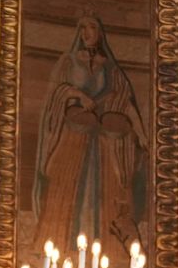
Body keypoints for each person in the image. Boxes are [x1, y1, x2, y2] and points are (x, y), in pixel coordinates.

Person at [33, 13, 147, 253]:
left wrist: (141, 133)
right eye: (82, 28)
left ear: (100, 33)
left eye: (92, 27)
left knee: (106, 188)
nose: (86, 32)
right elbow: (57, 92)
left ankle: (107, 247)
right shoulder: (69, 62)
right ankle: (59, 244)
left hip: (103, 141)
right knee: (67, 185)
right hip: (73, 137)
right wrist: (77, 95)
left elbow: (125, 101)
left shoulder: (111, 69)